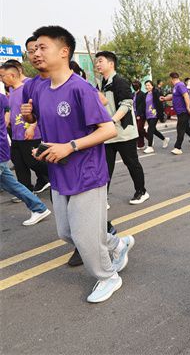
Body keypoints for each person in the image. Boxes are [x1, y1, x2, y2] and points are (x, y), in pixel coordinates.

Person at [21, 25, 134, 303]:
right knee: (66, 233)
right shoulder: (42, 89)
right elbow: (48, 126)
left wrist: (70, 147)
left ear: (64, 52)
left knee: (85, 237)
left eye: (42, 47)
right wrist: (40, 140)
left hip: (87, 173)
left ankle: (108, 276)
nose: (36, 53)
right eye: (34, 49)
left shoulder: (80, 88)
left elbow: (108, 129)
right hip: (59, 172)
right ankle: (117, 243)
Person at [96, 51, 150, 205]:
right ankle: (102, 199)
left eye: (100, 61)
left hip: (124, 132)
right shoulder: (100, 83)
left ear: (111, 64)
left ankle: (141, 191)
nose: (97, 64)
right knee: (105, 167)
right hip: (107, 134)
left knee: (132, 163)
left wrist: (112, 120)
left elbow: (126, 104)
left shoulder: (120, 81)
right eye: (97, 62)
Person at [1, 92, 51, 226]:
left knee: (32, 162)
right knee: (14, 179)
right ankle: (38, 207)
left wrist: (31, 127)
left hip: (22, 139)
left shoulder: (22, 90)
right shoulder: (7, 95)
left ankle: (52, 177)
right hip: (13, 140)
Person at [0, 61, 50, 195]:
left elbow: (39, 109)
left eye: (2, 76)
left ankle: (55, 175)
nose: (1, 79)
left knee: (33, 162)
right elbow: (12, 109)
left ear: (12, 75)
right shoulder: (11, 91)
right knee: (19, 163)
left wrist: (32, 127)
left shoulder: (26, 89)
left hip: (29, 133)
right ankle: (26, 191)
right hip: (16, 134)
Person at [160, 72, 190, 154]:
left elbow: (186, 95)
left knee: (180, 128)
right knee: (186, 128)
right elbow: (174, 96)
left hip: (183, 111)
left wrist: (188, 107)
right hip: (179, 111)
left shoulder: (180, 85)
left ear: (172, 79)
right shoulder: (176, 86)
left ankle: (178, 147)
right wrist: (165, 98)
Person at [143, 80, 169, 153]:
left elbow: (160, 103)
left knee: (150, 129)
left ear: (152, 86)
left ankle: (150, 146)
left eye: (149, 85)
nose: (147, 87)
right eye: (146, 85)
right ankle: (164, 139)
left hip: (154, 114)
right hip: (148, 114)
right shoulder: (145, 94)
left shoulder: (155, 92)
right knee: (153, 130)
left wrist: (160, 113)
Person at [132, 80, 147, 150]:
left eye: (135, 85)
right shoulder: (132, 94)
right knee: (137, 130)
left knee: (139, 128)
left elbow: (142, 105)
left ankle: (149, 137)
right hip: (134, 114)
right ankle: (141, 144)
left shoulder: (142, 94)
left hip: (140, 114)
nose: (134, 86)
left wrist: (139, 114)